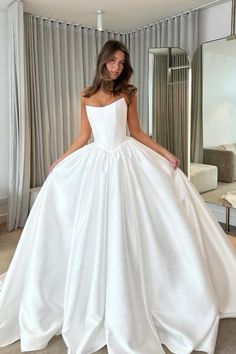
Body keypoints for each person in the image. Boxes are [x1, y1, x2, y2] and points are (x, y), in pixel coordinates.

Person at [0, 39, 236, 354]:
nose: (117, 67)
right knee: (92, 227)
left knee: (139, 224)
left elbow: (137, 132)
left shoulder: (128, 93)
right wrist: (61, 160)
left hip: (128, 159)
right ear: (103, 61)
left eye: (122, 63)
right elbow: (83, 136)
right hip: (97, 161)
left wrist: (166, 154)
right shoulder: (85, 94)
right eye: (113, 61)